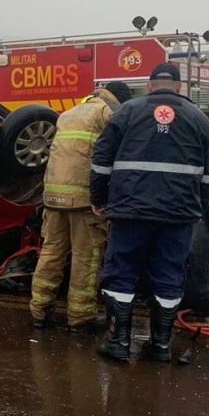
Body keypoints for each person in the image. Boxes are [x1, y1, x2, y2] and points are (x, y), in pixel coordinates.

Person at [90, 63, 209, 362]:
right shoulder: (199, 118)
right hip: (178, 215)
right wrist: (199, 206)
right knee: (169, 275)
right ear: (179, 87)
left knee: (122, 271)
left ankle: (118, 343)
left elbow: (101, 161)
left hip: (130, 210)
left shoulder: (128, 112)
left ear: (149, 86)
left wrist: (99, 198)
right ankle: (161, 346)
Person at [29, 82, 133, 331]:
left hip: (53, 198)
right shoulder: (107, 114)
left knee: (51, 253)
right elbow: (113, 156)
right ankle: (80, 317)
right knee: (86, 257)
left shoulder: (68, 113)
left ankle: (39, 311)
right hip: (84, 201)